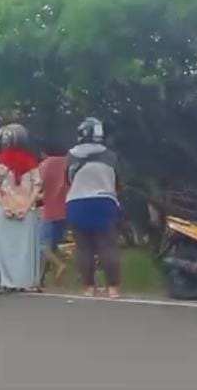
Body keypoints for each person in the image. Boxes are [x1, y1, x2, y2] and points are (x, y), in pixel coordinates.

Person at [66, 117, 121, 299]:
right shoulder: (110, 156)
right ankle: (112, 288)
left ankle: (88, 287)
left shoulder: (71, 155)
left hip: (77, 202)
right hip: (104, 201)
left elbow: (68, 180)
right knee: (107, 245)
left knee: (83, 247)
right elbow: (118, 181)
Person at [0, 124, 43, 292]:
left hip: (4, 210)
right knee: (25, 249)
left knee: (2, 248)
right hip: (25, 211)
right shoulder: (31, 160)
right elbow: (37, 184)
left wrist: (4, 205)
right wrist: (27, 206)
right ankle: (25, 282)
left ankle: (2, 281)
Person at [37, 142, 70, 285]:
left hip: (50, 209)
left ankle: (59, 265)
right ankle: (41, 279)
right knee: (52, 246)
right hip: (67, 209)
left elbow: (38, 185)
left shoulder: (46, 164)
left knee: (42, 245)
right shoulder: (68, 162)